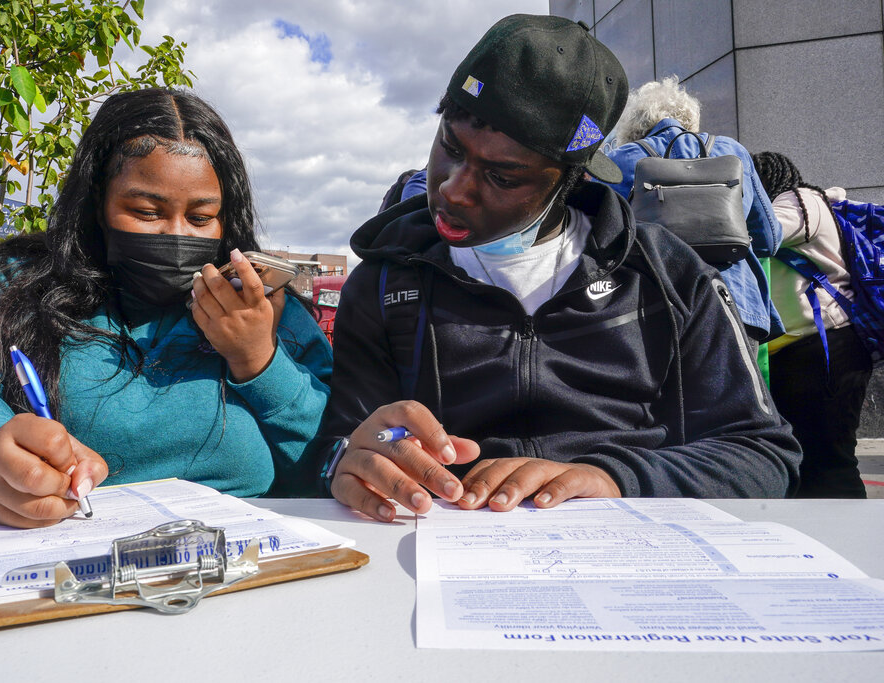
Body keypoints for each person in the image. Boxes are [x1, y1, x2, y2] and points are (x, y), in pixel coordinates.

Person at [318, 15, 801, 523]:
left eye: (502, 177)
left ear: (569, 180)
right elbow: (345, 441)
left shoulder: (669, 275)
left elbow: (763, 452)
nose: (454, 189)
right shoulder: (384, 284)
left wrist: (615, 479)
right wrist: (365, 451)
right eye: (451, 148)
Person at [0, 88, 333, 528]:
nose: (175, 233)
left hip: (247, 559)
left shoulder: (269, 307)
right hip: (65, 553)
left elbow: (324, 455)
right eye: (146, 211)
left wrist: (257, 358)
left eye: (201, 219)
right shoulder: (13, 284)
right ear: (98, 202)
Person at [604, 76, 784, 356]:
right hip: (733, 302)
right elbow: (769, 240)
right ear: (690, 118)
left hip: (650, 306)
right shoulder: (731, 152)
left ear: (633, 126)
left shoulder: (620, 160)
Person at [752, 151, 872, 498]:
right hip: (805, 351)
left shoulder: (800, 202)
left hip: (826, 349)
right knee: (807, 459)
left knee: (828, 462)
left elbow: (763, 232)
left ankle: (849, 542)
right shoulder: (804, 203)